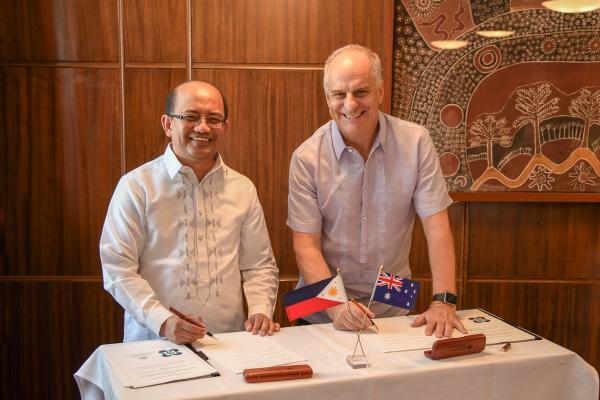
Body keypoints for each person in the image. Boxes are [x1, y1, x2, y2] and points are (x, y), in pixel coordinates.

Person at [287, 45, 467, 338]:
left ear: (380, 91)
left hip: (391, 295)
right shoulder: (306, 156)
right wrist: (337, 308)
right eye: (339, 94)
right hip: (320, 303)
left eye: (361, 92)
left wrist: (444, 301)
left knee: (392, 377)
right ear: (327, 99)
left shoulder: (416, 142)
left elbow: (437, 228)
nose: (350, 104)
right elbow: (304, 245)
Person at [100, 81, 280, 344]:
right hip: (155, 340)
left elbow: (258, 265)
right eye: (190, 117)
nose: (203, 127)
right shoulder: (138, 186)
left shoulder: (243, 188)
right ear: (167, 124)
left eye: (214, 119)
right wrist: (162, 320)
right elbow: (118, 268)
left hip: (230, 342)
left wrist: (260, 310)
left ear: (225, 127)